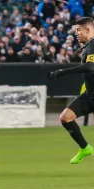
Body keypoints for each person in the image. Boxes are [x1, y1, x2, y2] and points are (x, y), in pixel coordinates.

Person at [48, 17, 94, 164]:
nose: (76, 33)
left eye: (79, 30)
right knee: (65, 117)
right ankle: (84, 148)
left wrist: (64, 71)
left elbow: (90, 67)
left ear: (88, 29)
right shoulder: (88, 46)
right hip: (90, 94)